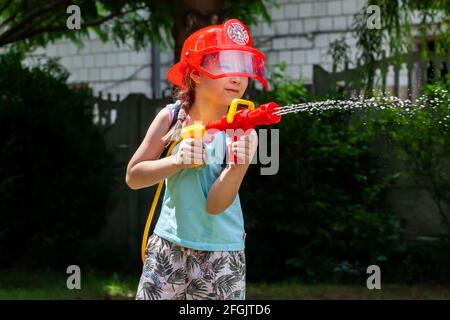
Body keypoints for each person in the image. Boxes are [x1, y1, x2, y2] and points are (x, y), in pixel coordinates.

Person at [126, 18, 268, 300]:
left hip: (222, 253)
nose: (238, 77)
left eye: (243, 68)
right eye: (226, 66)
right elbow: (134, 177)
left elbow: (215, 205)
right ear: (196, 74)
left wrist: (238, 166)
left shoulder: (240, 131)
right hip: (168, 248)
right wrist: (176, 160)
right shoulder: (171, 118)